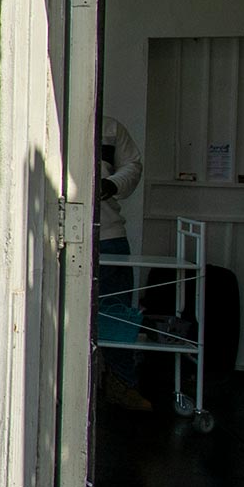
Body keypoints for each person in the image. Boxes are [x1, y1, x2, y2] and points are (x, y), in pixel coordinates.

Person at [97, 114, 147, 409]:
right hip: (60, 232)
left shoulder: (111, 127)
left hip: (109, 232)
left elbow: (133, 166)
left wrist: (112, 185)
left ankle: (121, 384)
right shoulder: (45, 118)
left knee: (116, 313)